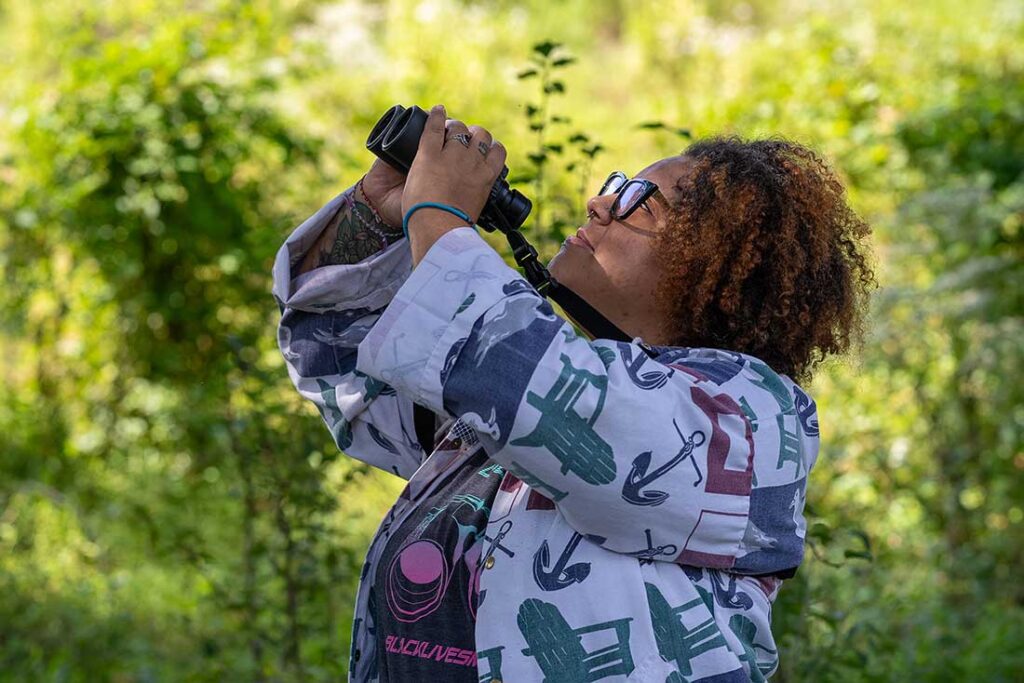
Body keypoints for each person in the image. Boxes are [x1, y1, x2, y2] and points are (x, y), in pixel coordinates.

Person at [273, 104, 874, 682]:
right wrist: (377, 218)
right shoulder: (511, 408)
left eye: (640, 201)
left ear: (716, 267)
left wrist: (437, 212)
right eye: (616, 183)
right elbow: (347, 361)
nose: (600, 202)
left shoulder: (748, 427)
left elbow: (553, 396)